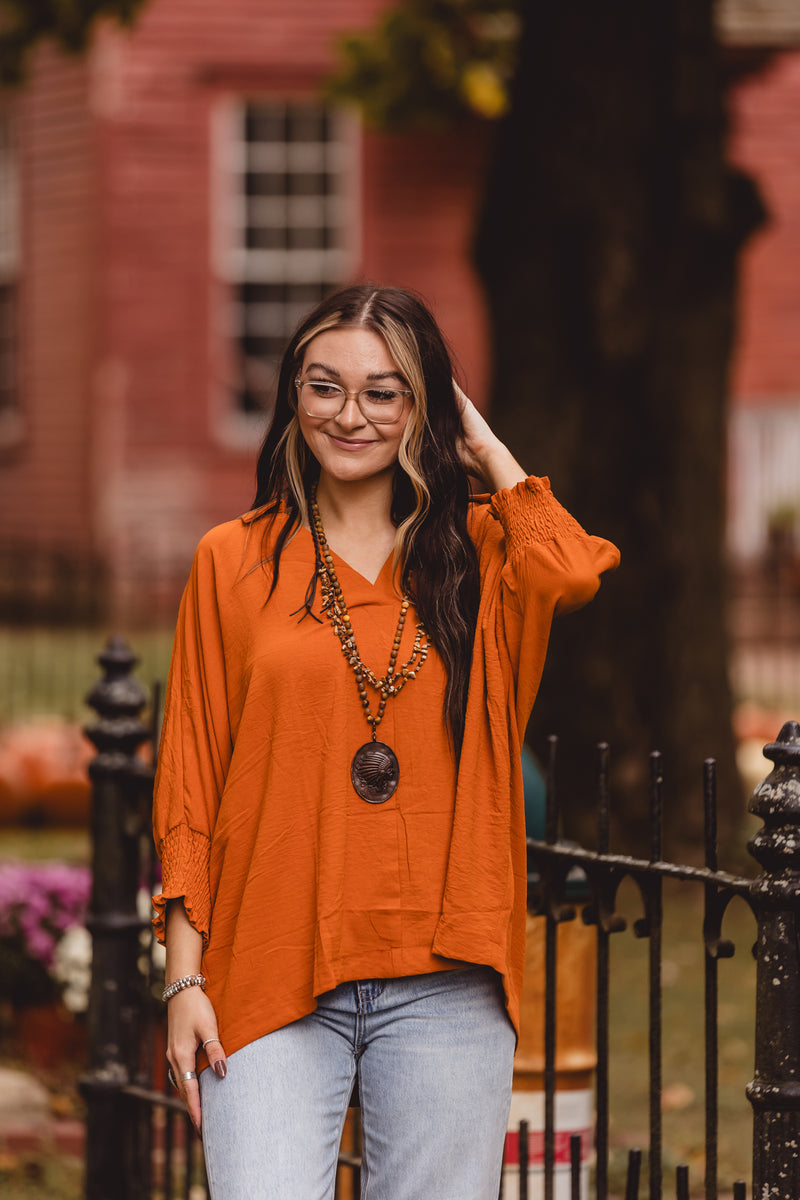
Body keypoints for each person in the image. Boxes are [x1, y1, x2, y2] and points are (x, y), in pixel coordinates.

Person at [152, 284, 619, 1200]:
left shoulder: (486, 555)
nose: (350, 414)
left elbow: (570, 568)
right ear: (294, 396)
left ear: (424, 406)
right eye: (325, 387)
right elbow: (191, 785)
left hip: (446, 983)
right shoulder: (233, 560)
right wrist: (183, 983)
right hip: (270, 966)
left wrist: (482, 448)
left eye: (384, 391)